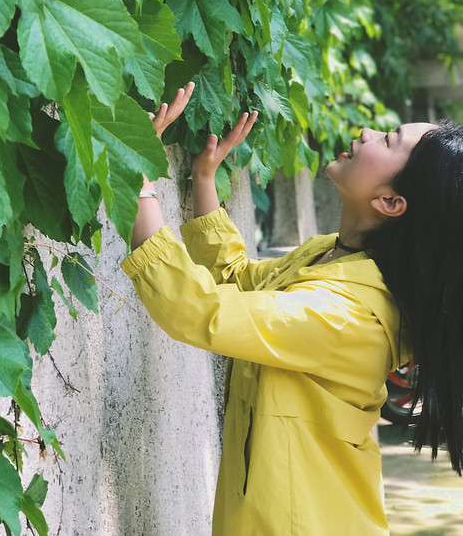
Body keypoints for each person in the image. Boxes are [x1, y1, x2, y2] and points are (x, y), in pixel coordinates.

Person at [121, 82, 463, 535]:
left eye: (388, 140)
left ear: (390, 202)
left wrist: (135, 180)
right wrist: (205, 181)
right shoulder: (332, 257)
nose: (366, 133)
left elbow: (199, 310)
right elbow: (242, 283)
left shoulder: (347, 316)